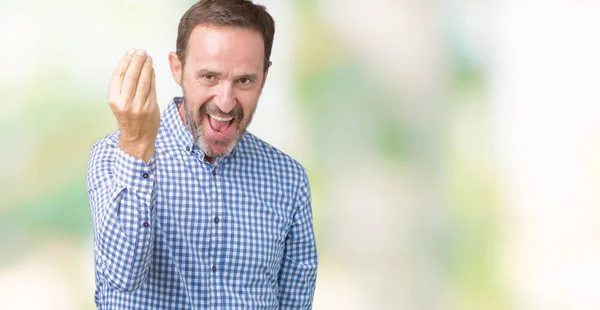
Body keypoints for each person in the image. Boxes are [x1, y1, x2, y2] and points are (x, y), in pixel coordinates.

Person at [86, 0, 318, 308]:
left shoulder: (289, 179)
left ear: (265, 75)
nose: (224, 102)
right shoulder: (113, 156)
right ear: (177, 68)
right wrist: (137, 146)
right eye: (209, 76)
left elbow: (295, 301)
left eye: (244, 80)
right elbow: (121, 276)